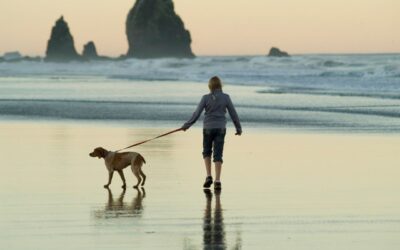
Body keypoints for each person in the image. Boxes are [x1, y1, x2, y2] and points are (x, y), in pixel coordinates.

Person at [181, 76, 242, 190]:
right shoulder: (226, 97)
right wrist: (238, 128)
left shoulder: (205, 98)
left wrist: (187, 125)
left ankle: (209, 176)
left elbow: (196, 113)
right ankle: (217, 180)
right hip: (220, 128)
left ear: (210, 86)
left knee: (207, 151)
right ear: (220, 85)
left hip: (208, 128)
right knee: (218, 154)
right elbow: (233, 113)